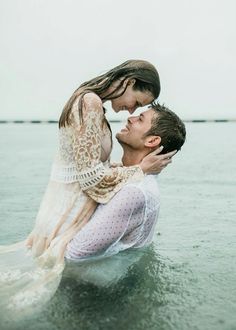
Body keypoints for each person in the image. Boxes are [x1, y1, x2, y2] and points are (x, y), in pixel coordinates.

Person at [0, 60, 176, 315]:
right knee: (30, 293)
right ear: (129, 82)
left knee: (32, 280)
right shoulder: (90, 103)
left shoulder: (91, 103)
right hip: (69, 210)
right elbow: (91, 179)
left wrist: (129, 169)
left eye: (138, 109)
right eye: (137, 102)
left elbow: (90, 168)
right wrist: (139, 170)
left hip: (65, 206)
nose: (130, 111)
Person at [65, 104, 186, 262]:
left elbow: (75, 253)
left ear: (152, 140)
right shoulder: (132, 178)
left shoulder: (135, 192)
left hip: (93, 284)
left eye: (140, 119)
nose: (130, 118)